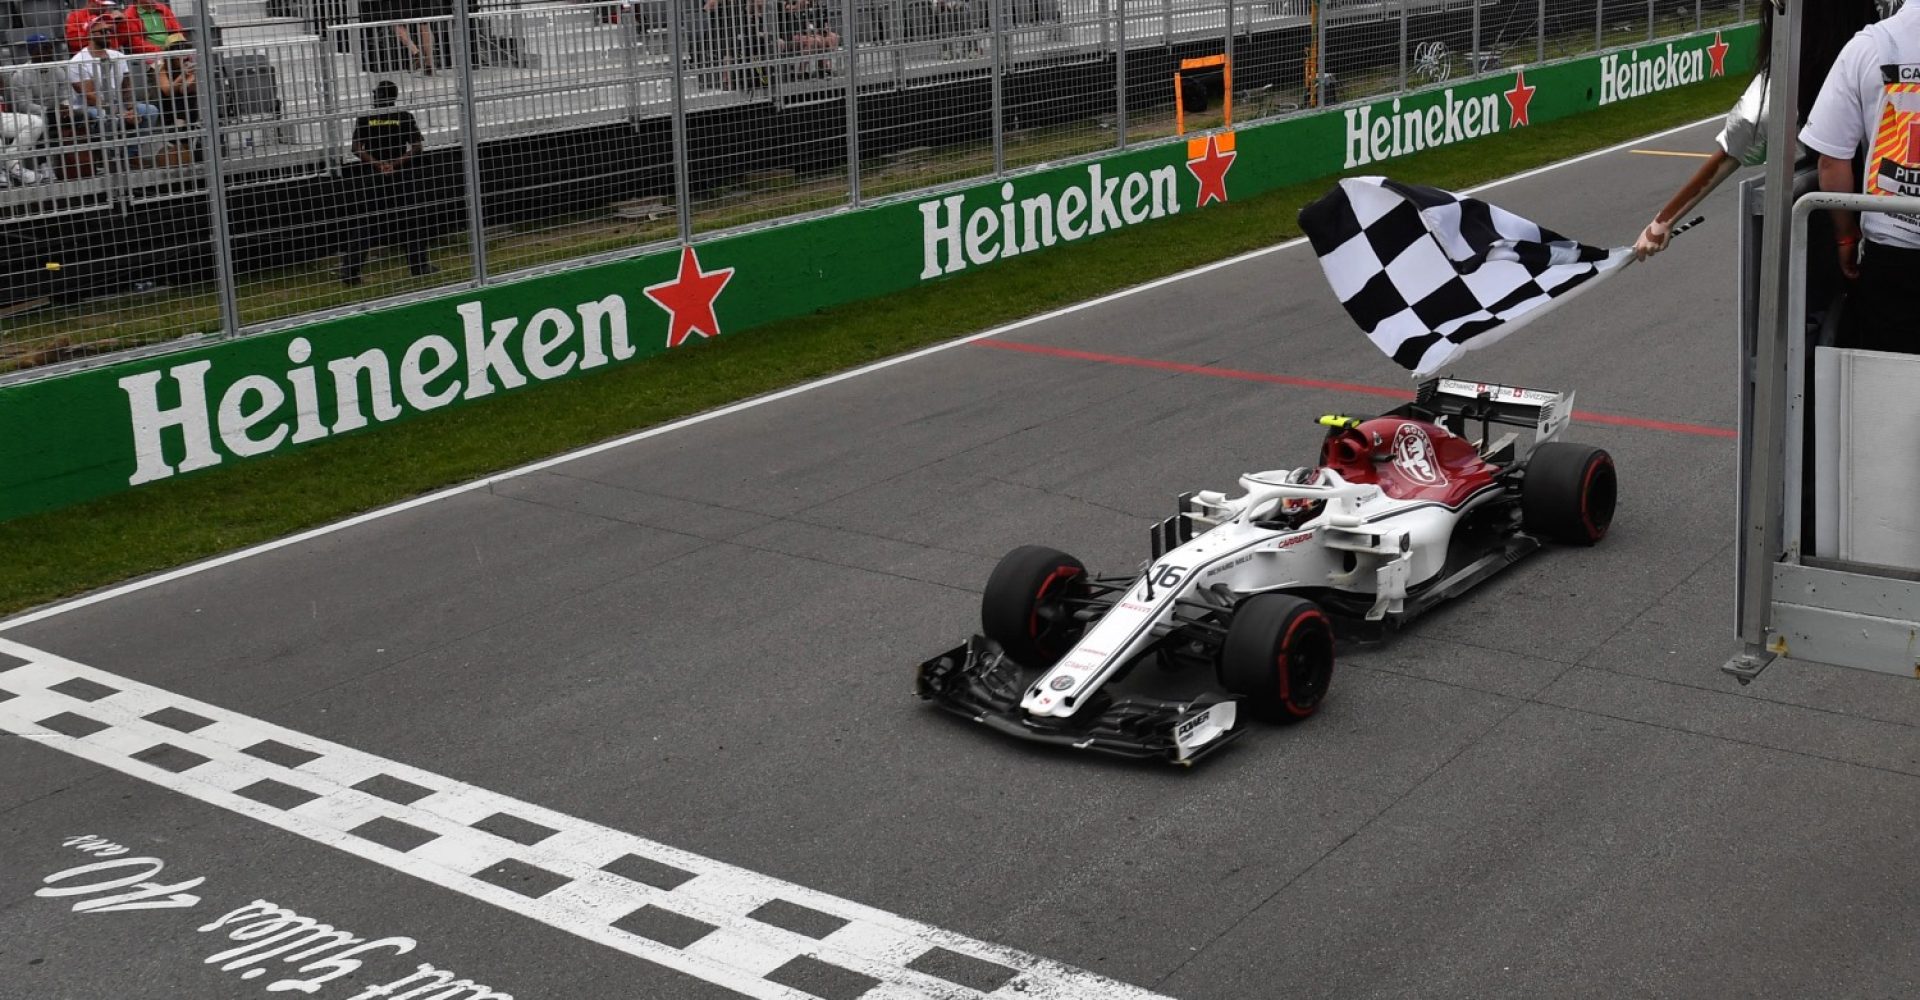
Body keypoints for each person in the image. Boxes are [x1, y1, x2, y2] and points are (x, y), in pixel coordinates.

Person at [1634, 1, 1882, 259]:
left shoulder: (1788, 80)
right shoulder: (1884, 49)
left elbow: (1734, 147)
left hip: (1867, 229)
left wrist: (1661, 223)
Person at [1802, 0, 1920, 354]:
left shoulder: (1869, 45)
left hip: (1894, 247)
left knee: (1892, 384)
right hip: (1894, 250)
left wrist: (1845, 237)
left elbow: (1831, 160)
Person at [339, 79, 434, 285]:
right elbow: (417, 146)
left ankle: (350, 272)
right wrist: (395, 163)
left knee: (365, 223)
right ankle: (419, 266)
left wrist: (378, 164)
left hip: (374, 176)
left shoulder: (366, 118)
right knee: (411, 221)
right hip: (400, 175)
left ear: (379, 96)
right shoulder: (403, 117)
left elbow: (356, 148)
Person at [67, 13, 158, 169]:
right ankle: (107, 158)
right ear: (90, 33)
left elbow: (126, 88)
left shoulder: (118, 56)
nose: (108, 34)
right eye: (103, 32)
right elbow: (89, 97)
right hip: (90, 108)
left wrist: (130, 109)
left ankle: (129, 155)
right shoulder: (77, 62)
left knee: (149, 111)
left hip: (117, 105)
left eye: (110, 31)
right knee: (104, 117)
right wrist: (117, 112)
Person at [8, 34, 91, 180]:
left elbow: (65, 95)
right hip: (33, 113)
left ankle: (84, 161)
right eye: (43, 48)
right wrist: (49, 110)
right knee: (41, 122)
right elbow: (23, 105)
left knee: (82, 116)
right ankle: (44, 164)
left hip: (56, 110)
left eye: (49, 48)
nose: (48, 52)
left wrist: (65, 106)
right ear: (32, 52)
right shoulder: (20, 74)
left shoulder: (58, 69)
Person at [116, 0, 185, 56]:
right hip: (150, 55)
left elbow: (177, 29)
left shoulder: (163, 8)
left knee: (186, 55)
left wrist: (172, 45)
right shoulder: (130, 14)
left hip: (171, 49)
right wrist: (160, 50)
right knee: (161, 65)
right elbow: (136, 43)